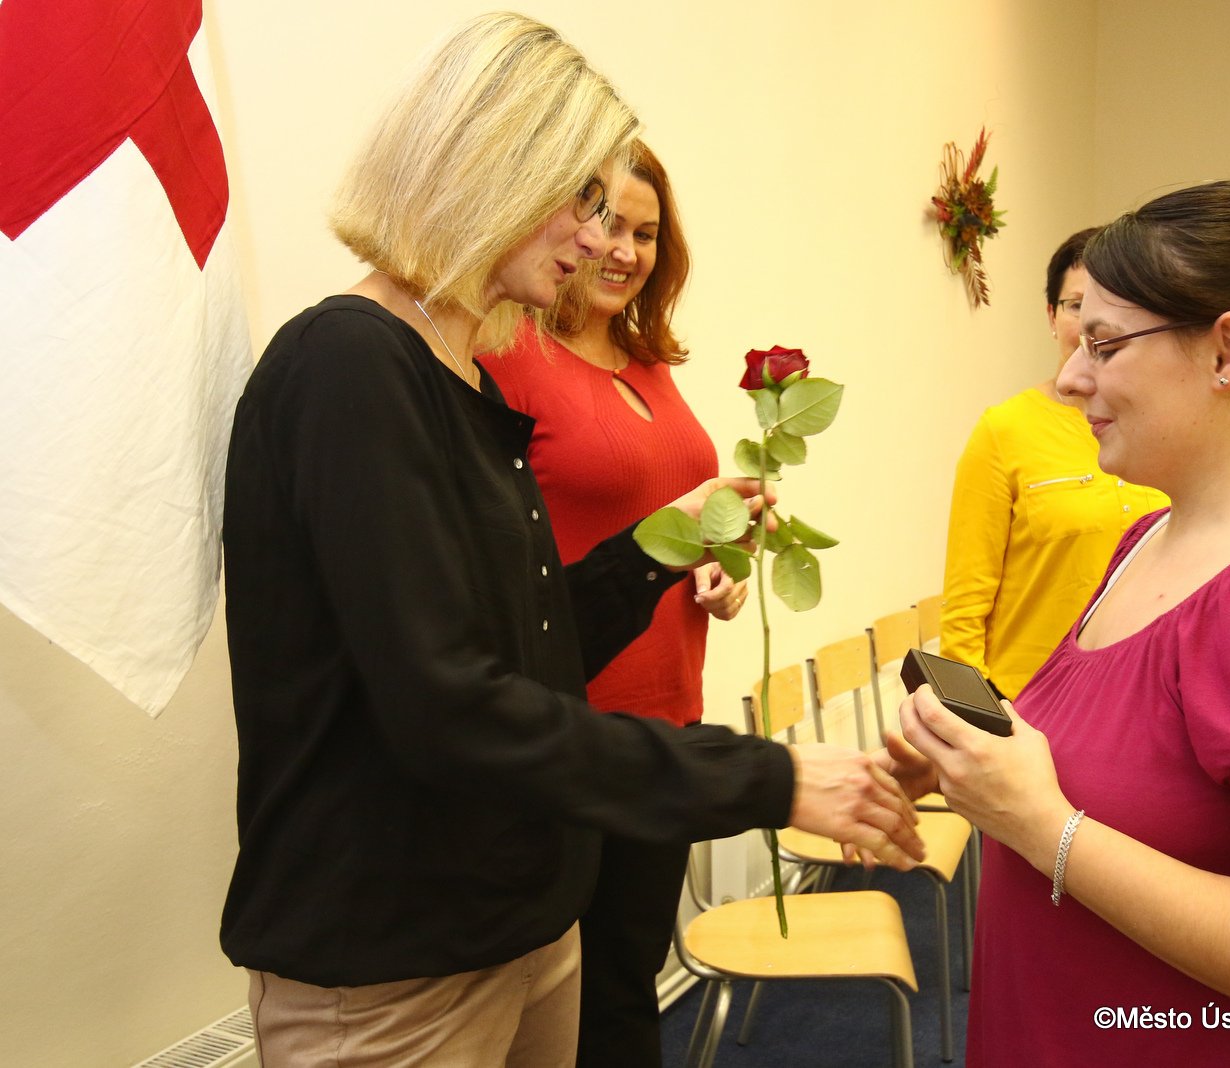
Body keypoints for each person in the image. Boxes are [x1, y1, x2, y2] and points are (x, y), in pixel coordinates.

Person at [219, 15, 922, 1067]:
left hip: (526, 928)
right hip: (397, 963)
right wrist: (769, 778)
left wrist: (664, 542)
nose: (600, 243)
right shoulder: (349, 365)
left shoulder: (461, 376)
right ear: (482, 167)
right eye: (579, 200)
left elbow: (533, 655)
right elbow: (449, 706)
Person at [886, 181, 1230, 1066]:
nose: (1070, 379)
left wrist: (1039, 824)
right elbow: (1137, 768)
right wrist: (976, 762)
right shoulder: (1150, 535)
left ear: (1228, 351)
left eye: (1105, 345)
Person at [484, 142, 735, 1067]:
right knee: (571, 1009)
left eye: (646, 233)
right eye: (607, 224)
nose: (624, 250)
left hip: (667, 718)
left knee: (628, 984)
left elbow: (661, 520)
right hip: (572, 729)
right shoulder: (505, 354)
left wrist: (720, 565)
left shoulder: (648, 362)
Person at [938, 227, 1168, 700]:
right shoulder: (1005, 430)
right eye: (1076, 305)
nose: (1090, 323)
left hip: (1139, 697)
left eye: (1114, 307)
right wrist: (975, 715)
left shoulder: (1164, 429)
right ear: (1051, 315)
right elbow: (964, 610)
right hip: (1027, 705)